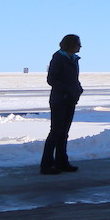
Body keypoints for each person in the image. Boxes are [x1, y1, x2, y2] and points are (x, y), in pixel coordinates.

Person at [40, 34, 84, 175]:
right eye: (78, 43)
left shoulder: (73, 59)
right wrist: (66, 91)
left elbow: (73, 79)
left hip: (70, 99)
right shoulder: (58, 58)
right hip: (59, 100)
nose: (80, 46)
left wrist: (78, 89)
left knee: (64, 132)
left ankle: (62, 161)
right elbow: (51, 79)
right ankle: (46, 164)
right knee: (56, 132)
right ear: (70, 44)